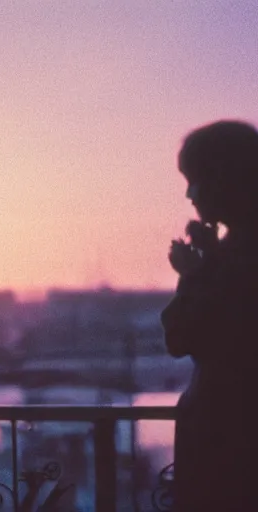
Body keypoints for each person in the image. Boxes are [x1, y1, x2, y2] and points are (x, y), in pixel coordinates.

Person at [161, 120, 258, 511]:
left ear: (224, 178)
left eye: (195, 179)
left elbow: (183, 338)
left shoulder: (238, 256)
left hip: (226, 445)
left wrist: (194, 274)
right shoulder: (234, 250)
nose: (189, 193)